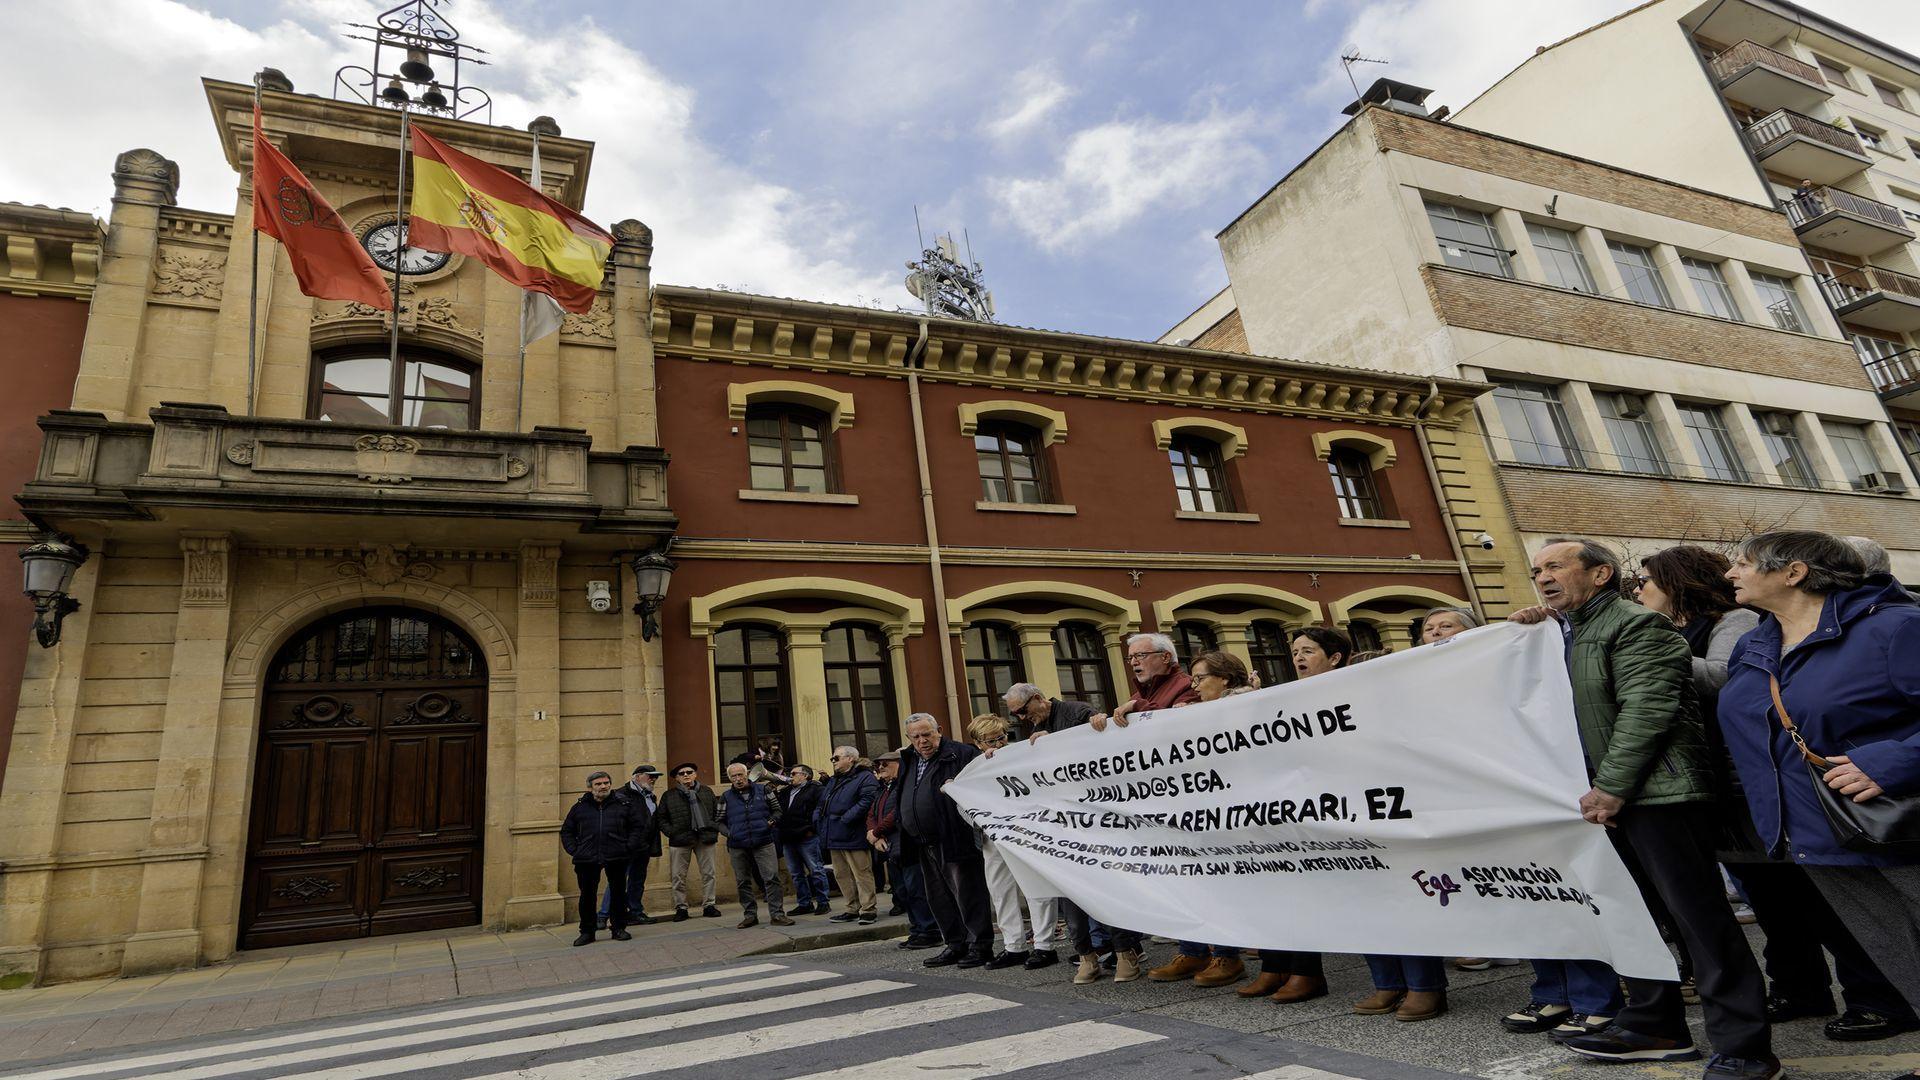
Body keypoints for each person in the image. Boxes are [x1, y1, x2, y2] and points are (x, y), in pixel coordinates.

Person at [1511, 538, 1773, 1078]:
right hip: (1607, 800)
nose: (1543, 577)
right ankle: (1655, 1025)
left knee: (1699, 921)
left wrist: (1611, 787)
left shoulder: (1637, 625)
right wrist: (1535, 629)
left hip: (1659, 796)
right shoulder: (1569, 630)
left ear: (1601, 573)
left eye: (1556, 566)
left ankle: (1746, 1047)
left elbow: (1646, 710)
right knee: (1638, 919)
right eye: (1537, 570)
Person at [1719, 531, 1920, 1075]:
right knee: (1899, 956)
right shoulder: (1753, 644)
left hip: (1898, 824)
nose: (1731, 574)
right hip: (1813, 832)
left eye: (1742, 563)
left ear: (1794, 572)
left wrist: (1894, 763)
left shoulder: (1895, 626)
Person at [1232, 627, 1350, 1004]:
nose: (1299, 657)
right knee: (1275, 888)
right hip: (1287, 808)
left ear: (1334, 658)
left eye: (1309, 650)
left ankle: (1306, 972)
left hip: (1334, 808)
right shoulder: (1286, 696)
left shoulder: (1352, 688)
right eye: (1295, 651)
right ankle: (1274, 966)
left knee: (1304, 894)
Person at [1143, 650, 1253, 989]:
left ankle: (1226, 955)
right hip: (1197, 810)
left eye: (1201, 678)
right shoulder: (1198, 710)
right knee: (1191, 879)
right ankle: (1193, 949)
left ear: (1225, 679)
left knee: (1222, 884)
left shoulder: (1248, 706)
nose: (1194, 685)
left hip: (1233, 813)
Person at [897, 713, 995, 968]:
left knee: (967, 893)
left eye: (927, 734)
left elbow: (981, 789)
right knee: (938, 897)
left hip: (953, 835)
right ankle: (955, 944)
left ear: (939, 730)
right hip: (922, 841)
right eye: (916, 737)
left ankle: (980, 946)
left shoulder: (961, 754)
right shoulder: (909, 759)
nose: (922, 741)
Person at [967, 713, 1061, 971]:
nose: (998, 745)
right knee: (1000, 890)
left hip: (1025, 832)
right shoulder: (974, 767)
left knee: (1036, 887)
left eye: (1001, 738)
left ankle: (1044, 945)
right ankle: (1014, 946)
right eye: (990, 741)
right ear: (978, 744)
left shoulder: (1022, 755)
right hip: (991, 836)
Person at [870, 749, 941, 949]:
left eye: (886, 764)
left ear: (899, 764)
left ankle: (929, 930)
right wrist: (872, 833)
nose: (881, 768)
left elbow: (897, 812)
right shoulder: (883, 788)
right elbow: (872, 812)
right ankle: (917, 929)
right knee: (902, 892)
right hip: (891, 847)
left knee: (916, 890)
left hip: (906, 844)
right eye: (878, 765)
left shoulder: (905, 784)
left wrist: (876, 831)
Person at [559, 771, 636, 946]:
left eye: (606, 783)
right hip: (586, 858)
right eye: (598, 784)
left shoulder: (623, 804)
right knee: (587, 896)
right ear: (590, 787)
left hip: (616, 855)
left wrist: (628, 846)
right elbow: (567, 831)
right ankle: (587, 932)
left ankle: (618, 928)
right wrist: (575, 851)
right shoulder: (579, 807)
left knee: (618, 893)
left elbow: (637, 827)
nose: (603, 786)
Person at [717, 762, 790, 928]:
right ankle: (750, 915)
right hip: (737, 845)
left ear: (747, 774)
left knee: (772, 878)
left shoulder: (764, 790)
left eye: (740, 775)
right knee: (743, 881)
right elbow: (719, 821)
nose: (738, 779)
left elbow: (777, 810)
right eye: (734, 776)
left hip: (764, 841)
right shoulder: (725, 797)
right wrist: (729, 833)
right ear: (730, 778)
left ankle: (777, 915)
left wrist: (770, 822)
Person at [820, 745, 882, 924]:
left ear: (850, 759)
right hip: (833, 832)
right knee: (841, 874)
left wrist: (846, 818)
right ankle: (851, 908)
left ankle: (868, 909)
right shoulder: (834, 780)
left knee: (861, 873)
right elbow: (823, 801)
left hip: (853, 832)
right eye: (833, 758)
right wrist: (819, 817)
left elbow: (868, 800)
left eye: (836, 758)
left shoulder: (865, 777)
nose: (833, 761)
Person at [656, 762, 723, 921]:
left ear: (695, 775)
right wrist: (672, 832)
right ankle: (681, 908)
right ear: (677, 778)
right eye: (681, 773)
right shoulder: (669, 795)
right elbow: (661, 818)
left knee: (709, 874)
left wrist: (713, 828)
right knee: (678, 876)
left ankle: (709, 905)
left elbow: (717, 814)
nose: (686, 775)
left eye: (689, 772)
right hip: (680, 839)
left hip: (705, 838)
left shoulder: (707, 791)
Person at [598, 765, 661, 929]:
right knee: (616, 882)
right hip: (624, 848)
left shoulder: (650, 796)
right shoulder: (620, 794)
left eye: (656, 777)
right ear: (637, 776)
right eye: (650, 776)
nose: (654, 779)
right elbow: (614, 822)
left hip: (643, 847)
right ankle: (603, 916)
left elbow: (651, 822)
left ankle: (635, 912)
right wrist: (624, 843)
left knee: (637, 881)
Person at [1107, 632, 1201, 725]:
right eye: (1130, 657)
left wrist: (1137, 706)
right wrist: (1102, 723)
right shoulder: (1136, 697)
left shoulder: (1189, 686)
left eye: (1140, 655)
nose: (1133, 662)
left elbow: (1181, 723)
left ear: (1165, 657)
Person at [777, 764, 829, 916]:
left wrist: (811, 829)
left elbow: (820, 810)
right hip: (788, 837)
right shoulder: (785, 791)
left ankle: (823, 902)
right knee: (796, 873)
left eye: (793, 773)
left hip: (806, 836)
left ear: (805, 775)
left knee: (816, 870)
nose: (790, 776)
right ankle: (804, 903)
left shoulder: (815, 789)